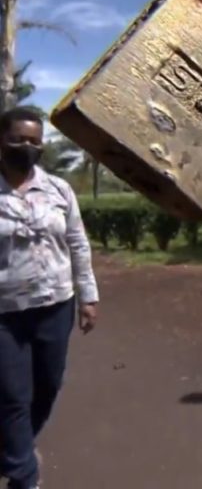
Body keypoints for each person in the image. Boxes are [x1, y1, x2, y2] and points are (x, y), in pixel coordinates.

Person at [0, 107, 98, 489]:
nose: (27, 147)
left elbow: (77, 242)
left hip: (55, 306)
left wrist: (88, 297)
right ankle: (25, 475)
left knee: (47, 387)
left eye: (34, 141)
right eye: (17, 140)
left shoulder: (59, 189)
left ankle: (13, 448)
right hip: (5, 314)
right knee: (11, 396)